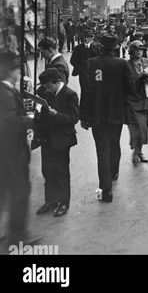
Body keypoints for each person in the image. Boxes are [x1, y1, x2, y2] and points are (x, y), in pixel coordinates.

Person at [80, 35, 133, 203]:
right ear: (115, 48)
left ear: (100, 47)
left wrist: (84, 116)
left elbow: (86, 91)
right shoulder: (122, 64)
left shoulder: (90, 64)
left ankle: (105, 190)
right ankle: (114, 171)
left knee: (102, 150)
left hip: (97, 115)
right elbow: (130, 89)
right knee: (115, 142)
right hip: (116, 113)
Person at [34, 68, 79, 218]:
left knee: (61, 171)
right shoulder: (47, 92)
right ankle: (51, 200)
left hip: (61, 139)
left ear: (57, 82)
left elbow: (73, 119)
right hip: (47, 138)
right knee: (47, 169)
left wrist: (56, 114)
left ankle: (64, 202)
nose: (46, 89)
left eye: (48, 86)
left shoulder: (70, 95)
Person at [0, 50, 33, 247]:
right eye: (16, 69)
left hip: (5, 153)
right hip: (12, 153)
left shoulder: (6, 90)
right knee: (20, 192)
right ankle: (18, 238)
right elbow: (8, 123)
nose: (19, 73)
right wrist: (29, 119)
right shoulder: (5, 93)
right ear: (9, 71)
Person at [126, 41, 148, 165]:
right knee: (137, 130)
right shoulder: (126, 66)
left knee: (144, 130)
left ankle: (139, 151)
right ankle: (136, 152)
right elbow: (125, 84)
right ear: (131, 52)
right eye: (136, 50)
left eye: (141, 50)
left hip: (146, 101)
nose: (139, 52)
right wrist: (139, 78)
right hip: (133, 103)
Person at [70, 29, 101, 94]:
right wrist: (80, 68)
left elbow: (99, 60)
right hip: (83, 74)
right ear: (84, 38)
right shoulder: (78, 48)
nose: (89, 39)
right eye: (87, 37)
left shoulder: (96, 47)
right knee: (83, 90)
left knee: (93, 91)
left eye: (90, 37)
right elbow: (72, 60)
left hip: (93, 73)